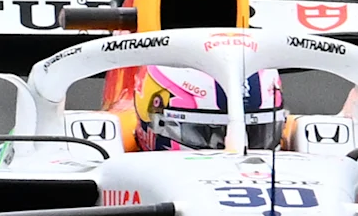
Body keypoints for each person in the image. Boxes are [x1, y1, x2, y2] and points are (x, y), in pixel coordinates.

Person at [121, 65, 290, 153]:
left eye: (256, 133)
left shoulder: (293, 133)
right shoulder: (117, 139)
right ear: (155, 118)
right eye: (208, 133)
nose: (240, 151)